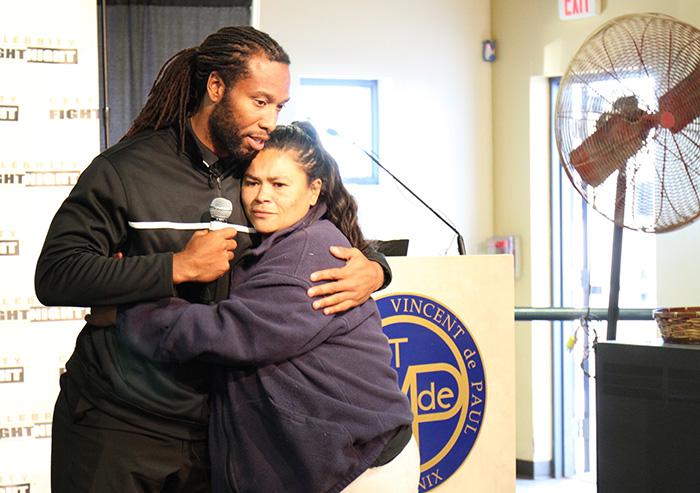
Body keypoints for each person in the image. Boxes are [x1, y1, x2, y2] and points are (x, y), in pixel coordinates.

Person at [34, 26, 391, 492]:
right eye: (259, 101)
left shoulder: (263, 173)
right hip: (118, 423)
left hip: (220, 433)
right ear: (216, 88)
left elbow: (330, 225)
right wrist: (176, 267)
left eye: (279, 107)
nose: (269, 120)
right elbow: (57, 275)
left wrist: (376, 268)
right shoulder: (126, 170)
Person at [118, 121, 419, 493]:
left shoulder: (307, 255)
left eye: (279, 185)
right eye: (252, 182)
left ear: (313, 192)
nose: (262, 196)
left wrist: (132, 303)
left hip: (360, 470)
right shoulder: (286, 242)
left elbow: (229, 333)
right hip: (338, 461)